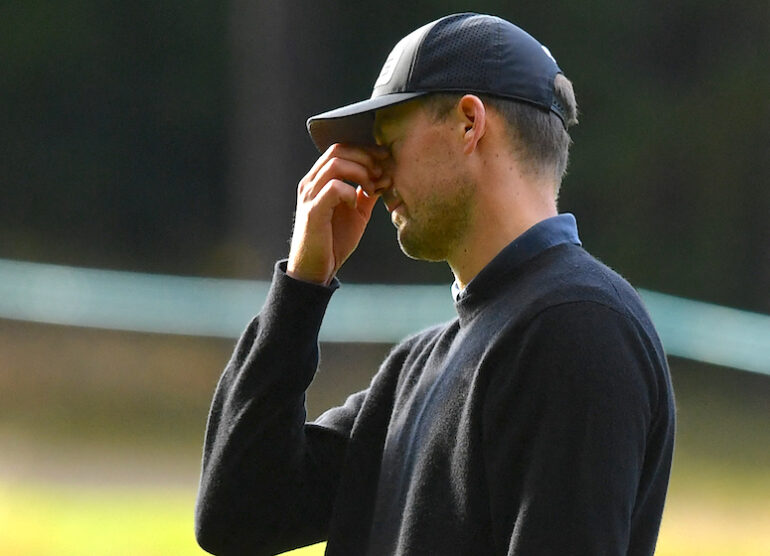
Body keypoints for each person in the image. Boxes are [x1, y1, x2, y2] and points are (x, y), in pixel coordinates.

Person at [195, 12, 675, 556]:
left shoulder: (579, 324)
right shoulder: (414, 369)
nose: (373, 171)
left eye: (387, 138)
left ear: (470, 122)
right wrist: (302, 288)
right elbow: (236, 517)